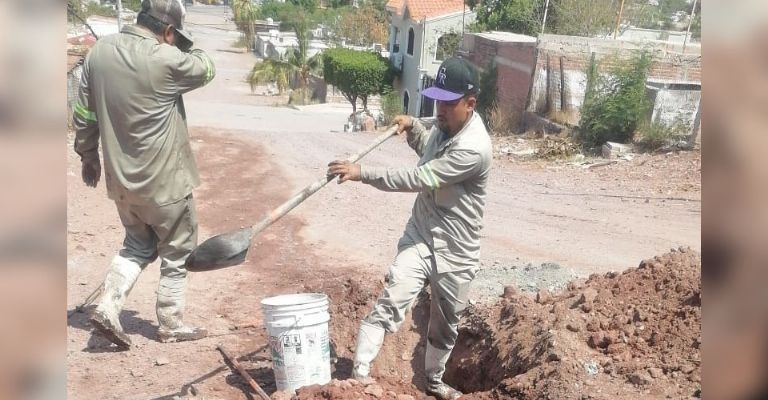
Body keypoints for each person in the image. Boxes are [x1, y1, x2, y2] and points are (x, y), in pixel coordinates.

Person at [327, 57, 492, 400]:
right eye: (436, 101)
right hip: (421, 234)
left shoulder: (474, 149)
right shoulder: (444, 126)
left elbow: (421, 178)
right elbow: (427, 143)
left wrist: (363, 173)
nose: (440, 109)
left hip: (456, 249)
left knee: (444, 326)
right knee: (392, 298)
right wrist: (414, 127)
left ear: (470, 104)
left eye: (448, 103)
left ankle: (432, 383)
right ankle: (358, 379)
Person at [73, 0, 215, 348]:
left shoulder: (98, 53)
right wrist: (181, 42)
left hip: (122, 184)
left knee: (137, 244)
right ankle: (171, 322)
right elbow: (207, 67)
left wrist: (88, 156)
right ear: (168, 31)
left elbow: (84, 113)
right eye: (172, 34)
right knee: (177, 250)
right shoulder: (164, 58)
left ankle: (108, 305)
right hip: (166, 183)